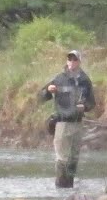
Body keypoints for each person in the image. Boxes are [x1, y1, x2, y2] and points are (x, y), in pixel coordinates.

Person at [38, 48, 95, 188]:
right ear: (67, 61)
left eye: (75, 59)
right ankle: (61, 189)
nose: (72, 62)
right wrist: (48, 91)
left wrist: (85, 107)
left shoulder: (85, 80)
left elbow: (92, 102)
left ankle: (69, 188)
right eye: (70, 59)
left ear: (79, 62)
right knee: (62, 159)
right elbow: (40, 97)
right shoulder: (58, 78)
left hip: (78, 123)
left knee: (73, 159)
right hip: (62, 123)